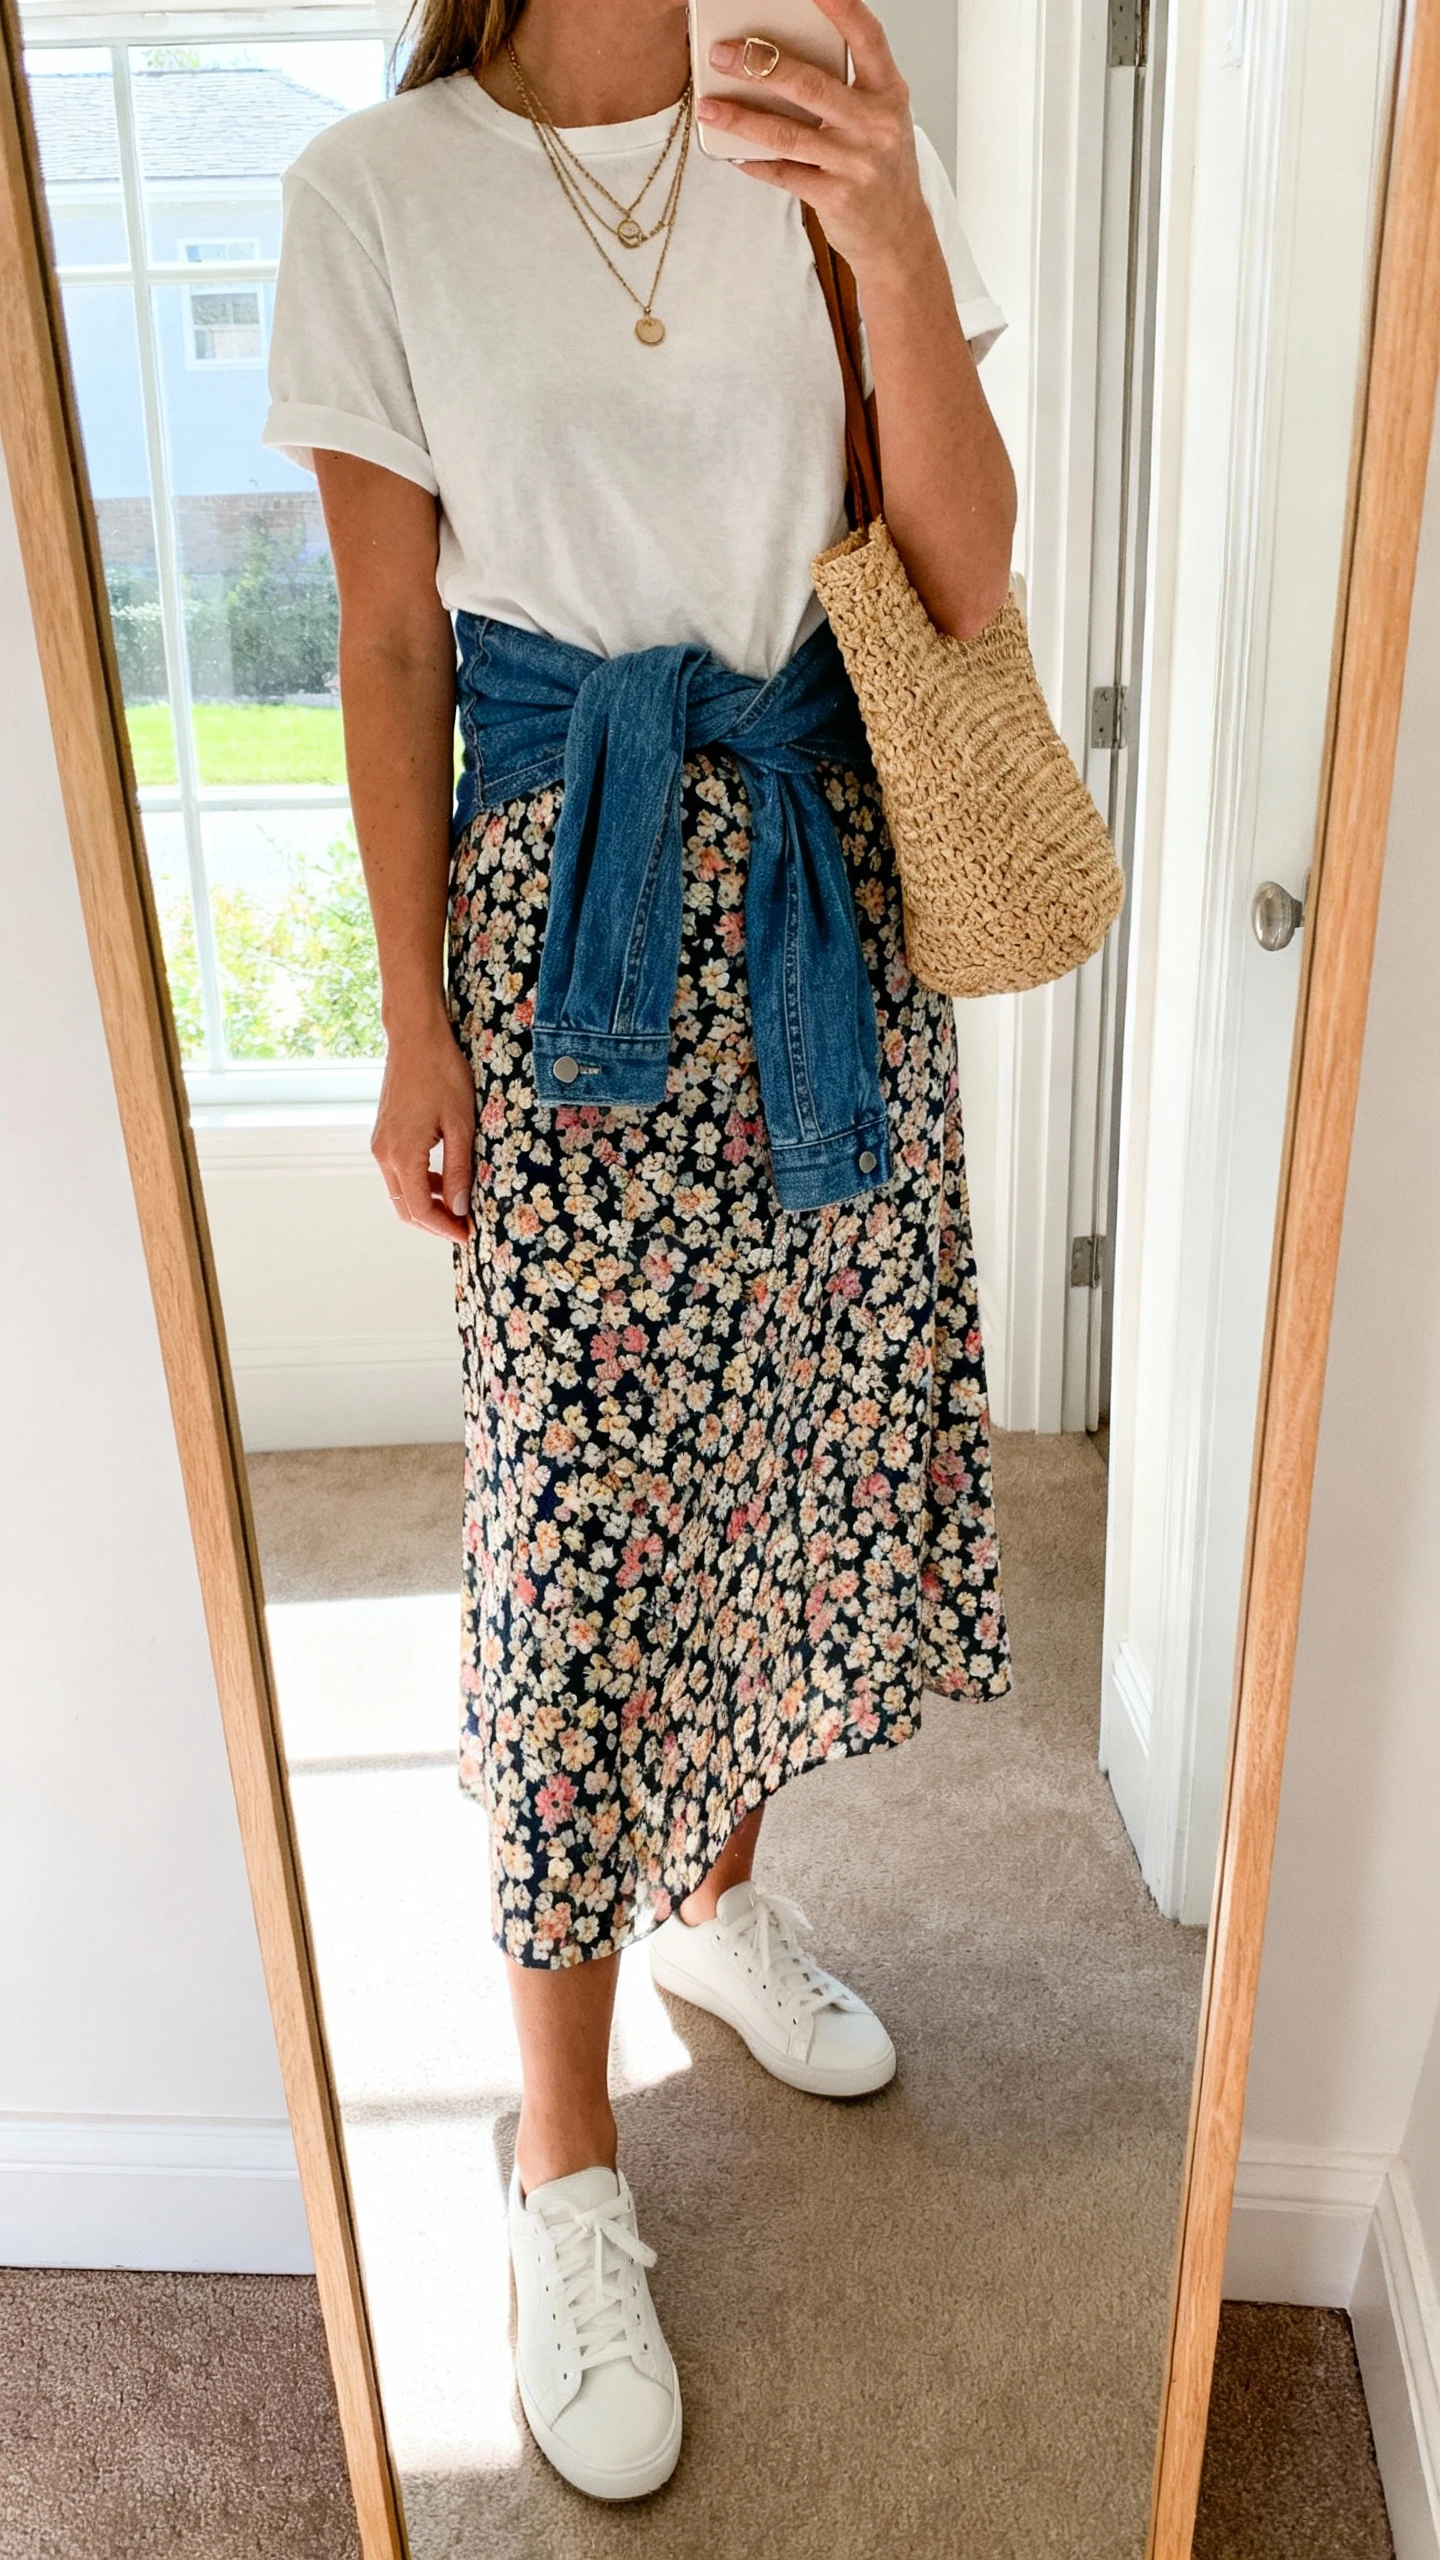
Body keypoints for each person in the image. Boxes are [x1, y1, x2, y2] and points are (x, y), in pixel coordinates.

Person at [264, 0, 1013, 2502]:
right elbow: (386, 640)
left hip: (818, 894)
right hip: (555, 921)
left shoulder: (822, 122)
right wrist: (404, 1016)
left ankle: (722, 1899)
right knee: (579, 1534)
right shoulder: (379, 193)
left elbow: (960, 572)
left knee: (784, 1441)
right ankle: (562, 2162)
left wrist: (893, 228)